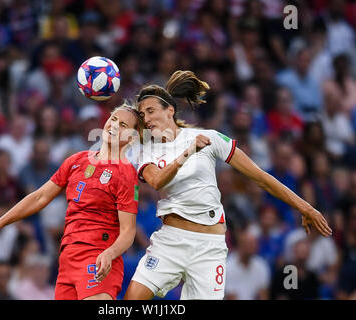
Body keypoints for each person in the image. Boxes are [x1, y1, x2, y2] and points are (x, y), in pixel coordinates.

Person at [124, 70, 332, 300]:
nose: (147, 118)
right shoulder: (147, 151)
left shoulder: (211, 137)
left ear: (170, 110)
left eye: (151, 111)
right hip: (171, 240)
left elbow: (260, 177)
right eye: (142, 115)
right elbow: (156, 180)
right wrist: (189, 152)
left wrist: (305, 207)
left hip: (210, 247)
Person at [0, 104, 143, 300]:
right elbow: (39, 197)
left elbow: (128, 232)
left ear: (131, 138)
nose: (114, 125)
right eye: (113, 119)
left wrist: (110, 253)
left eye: (123, 124)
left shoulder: (125, 172)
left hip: (97, 258)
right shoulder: (76, 160)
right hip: (67, 262)